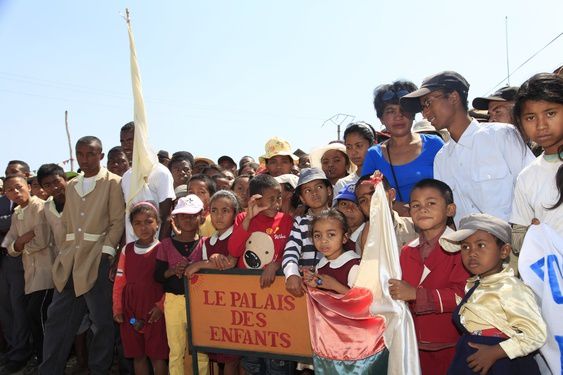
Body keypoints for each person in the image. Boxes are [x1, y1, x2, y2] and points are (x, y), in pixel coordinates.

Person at [400, 71, 535, 226]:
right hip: (469, 248)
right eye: (423, 107)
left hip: (517, 246)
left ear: (453, 97)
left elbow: (534, 188)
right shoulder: (441, 159)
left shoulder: (502, 135)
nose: (425, 113)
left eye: (428, 103)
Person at [40, 136, 125, 375]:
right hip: (69, 262)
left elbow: (118, 221)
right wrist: (64, 254)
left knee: (101, 322)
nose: (85, 160)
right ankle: (49, 370)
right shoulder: (73, 184)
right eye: (80, 154)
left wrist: (106, 253)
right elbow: (68, 223)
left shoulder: (113, 183)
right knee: (57, 319)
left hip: (97, 260)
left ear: (100, 155)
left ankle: (99, 369)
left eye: (90, 154)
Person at [440, 213, 546, 375]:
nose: (472, 253)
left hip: (502, 365)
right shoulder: (473, 286)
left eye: (481, 245)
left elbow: (535, 334)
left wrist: (495, 352)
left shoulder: (511, 288)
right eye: (465, 247)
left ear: (504, 251)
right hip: (471, 358)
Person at [389, 178, 469, 375]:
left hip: (451, 344)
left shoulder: (462, 248)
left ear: (450, 209)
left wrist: (417, 294)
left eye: (431, 203)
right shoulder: (407, 251)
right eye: (415, 205)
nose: (422, 209)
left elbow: (464, 296)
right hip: (413, 344)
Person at [227, 174, 294, 375]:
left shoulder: (287, 221)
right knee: (252, 360)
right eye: (271, 199)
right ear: (256, 199)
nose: (277, 203)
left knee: (278, 361)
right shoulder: (242, 218)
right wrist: (248, 218)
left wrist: (275, 265)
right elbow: (234, 250)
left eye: (279, 198)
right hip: (250, 306)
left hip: (279, 303)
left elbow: (292, 254)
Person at [363, 81, 444, 216]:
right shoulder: (373, 155)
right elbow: (365, 196)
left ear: (413, 114)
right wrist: (393, 205)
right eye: (390, 111)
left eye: (404, 110)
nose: (398, 116)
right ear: (381, 118)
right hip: (393, 232)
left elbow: (452, 187)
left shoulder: (435, 145)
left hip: (435, 227)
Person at [37, 163, 89, 373]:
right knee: (56, 321)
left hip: (90, 264)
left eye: (57, 182)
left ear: (64, 179)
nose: (54, 188)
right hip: (65, 272)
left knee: (100, 323)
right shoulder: (47, 207)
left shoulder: (82, 199)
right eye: (47, 185)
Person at [1, 175, 54, 373]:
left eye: (18, 187)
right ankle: (42, 359)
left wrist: (21, 243)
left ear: (29, 187)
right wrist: (22, 240)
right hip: (30, 275)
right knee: (34, 317)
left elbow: (41, 241)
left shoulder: (40, 207)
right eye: (10, 190)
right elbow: (9, 246)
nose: (15, 193)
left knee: (37, 315)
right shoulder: (17, 214)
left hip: (47, 271)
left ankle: (46, 360)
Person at [185, 191, 240, 375]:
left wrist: (201, 264)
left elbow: (227, 264)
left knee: (233, 359)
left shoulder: (238, 238)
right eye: (214, 210)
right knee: (221, 357)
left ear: (235, 213)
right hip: (217, 307)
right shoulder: (207, 242)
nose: (219, 215)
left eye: (225, 210)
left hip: (237, 307)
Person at [155, 195, 208, 375]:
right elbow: (158, 276)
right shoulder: (165, 245)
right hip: (174, 302)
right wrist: (172, 270)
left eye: (192, 215)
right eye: (182, 215)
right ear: (175, 218)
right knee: (175, 351)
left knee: (201, 351)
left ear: (201, 217)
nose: (187, 219)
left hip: (200, 303)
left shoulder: (206, 243)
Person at [113, 202, 168, 375]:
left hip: (154, 312)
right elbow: (119, 282)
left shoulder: (163, 249)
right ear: (132, 226)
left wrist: (160, 306)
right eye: (137, 223)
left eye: (148, 221)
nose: (143, 227)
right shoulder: (126, 250)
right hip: (131, 313)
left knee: (157, 355)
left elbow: (170, 285)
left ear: (157, 223)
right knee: (138, 355)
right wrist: (118, 308)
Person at [511, 73, 563, 235]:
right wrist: (532, 233)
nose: (541, 126)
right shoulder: (527, 176)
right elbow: (518, 234)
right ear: (520, 122)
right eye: (531, 117)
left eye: (550, 114)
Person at [120, 121, 175, 242]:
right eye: (122, 141)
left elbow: (166, 218)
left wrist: (159, 251)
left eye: (130, 140)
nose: (126, 146)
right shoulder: (126, 177)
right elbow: (127, 218)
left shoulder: (161, 173)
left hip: (154, 248)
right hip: (132, 249)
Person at [282, 168, 333, 297]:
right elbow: (291, 251)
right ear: (302, 199)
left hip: (335, 285)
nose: (314, 193)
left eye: (319, 187)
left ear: (329, 190)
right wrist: (292, 273)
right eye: (307, 190)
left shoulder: (339, 220)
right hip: (309, 289)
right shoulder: (300, 222)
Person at [354, 174, 417, 253]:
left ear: (391, 194)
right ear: (360, 208)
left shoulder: (414, 227)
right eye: (363, 200)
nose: (370, 203)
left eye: (375, 194)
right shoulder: (363, 239)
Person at [302, 209, 360, 294]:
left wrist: (334, 286)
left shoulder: (354, 265)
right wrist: (314, 284)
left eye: (331, 234)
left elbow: (361, 300)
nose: (323, 241)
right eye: (317, 235)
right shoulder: (321, 264)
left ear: (344, 238)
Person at [333, 122, 376, 198]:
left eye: (359, 146)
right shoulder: (343, 184)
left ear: (373, 145)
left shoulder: (386, 177)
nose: (353, 152)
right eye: (349, 147)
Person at [334, 183, 365, 252]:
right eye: (344, 204)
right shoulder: (335, 237)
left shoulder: (369, 238)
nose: (349, 209)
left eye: (356, 204)